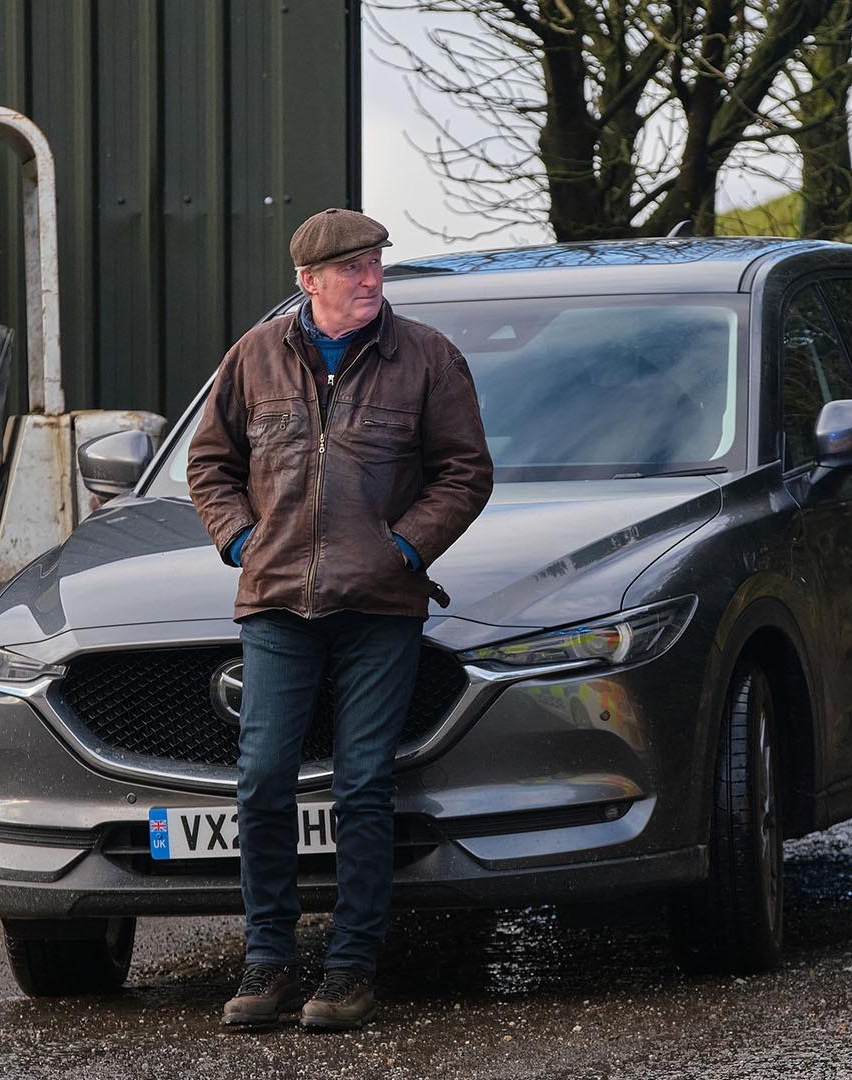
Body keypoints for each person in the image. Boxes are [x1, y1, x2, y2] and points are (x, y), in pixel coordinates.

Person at [186, 207, 493, 1031]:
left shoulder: (427, 357)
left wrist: (402, 549)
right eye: (353, 267)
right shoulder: (253, 358)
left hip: (380, 609)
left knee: (363, 785)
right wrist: (242, 539)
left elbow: (465, 473)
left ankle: (351, 969)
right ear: (308, 281)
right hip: (277, 604)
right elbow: (209, 463)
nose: (370, 278)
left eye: (376, 263)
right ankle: (269, 962)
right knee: (260, 780)